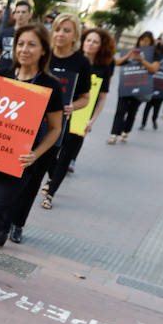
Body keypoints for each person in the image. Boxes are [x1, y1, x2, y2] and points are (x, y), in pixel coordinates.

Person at [0, 22, 63, 297]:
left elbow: (56, 128)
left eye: (31, 44)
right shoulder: (5, 74)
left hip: (20, 162)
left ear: (43, 50)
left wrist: (36, 154)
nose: (24, 49)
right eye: (20, 44)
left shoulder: (50, 85)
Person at [6, 12, 89, 242]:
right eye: (58, 29)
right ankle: (2, 220)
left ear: (75, 36)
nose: (60, 34)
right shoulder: (43, 54)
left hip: (51, 130)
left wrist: (73, 106)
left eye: (66, 30)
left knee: (33, 180)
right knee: (13, 174)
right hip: (22, 125)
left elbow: (85, 97)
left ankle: (18, 224)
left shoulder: (81, 62)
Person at [44, 26, 114, 207]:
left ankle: (50, 194)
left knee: (66, 155)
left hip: (82, 115)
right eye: (89, 40)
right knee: (51, 152)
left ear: (101, 46)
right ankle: (52, 177)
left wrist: (92, 120)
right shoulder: (71, 61)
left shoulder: (103, 68)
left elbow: (102, 97)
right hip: (61, 112)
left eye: (95, 42)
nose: (91, 44)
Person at [108, 30, 159, 143]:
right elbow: (116, 63)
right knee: (120, 110)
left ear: (151, 43)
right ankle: (114, 134)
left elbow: (154, 69)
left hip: (141, 87)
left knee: (132, 111)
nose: (143, 43)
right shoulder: (131, 51)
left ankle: (126, 131)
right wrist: (128, 56)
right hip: (126, 85)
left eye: (146, 41)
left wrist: (141, 60)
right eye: (142, 40)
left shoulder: (154, 55)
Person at [0, 0, 32, 83]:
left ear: (30, 15)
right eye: (18, 12)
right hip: (1, 75)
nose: (20, 15)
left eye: (23, 12)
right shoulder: (5, 33)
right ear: (14, 14)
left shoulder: (33, 36)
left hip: (20, 79)